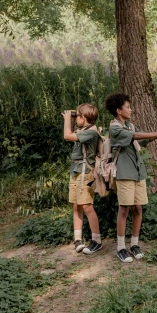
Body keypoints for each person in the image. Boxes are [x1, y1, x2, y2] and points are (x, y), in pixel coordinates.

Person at [105, 93, 157, 263]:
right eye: (128, 107)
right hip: (125, 173)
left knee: (138, 209)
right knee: (124, 209)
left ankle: (134, 244)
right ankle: (121, 247)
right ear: (119, 110)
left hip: (138, 173)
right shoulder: (115, 127)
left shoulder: (130, 125)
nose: (131, 109)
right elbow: (135, 137)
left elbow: (143, 138)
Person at [62, 103, 102, 255]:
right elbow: (72, 133)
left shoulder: (91, 132)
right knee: (76, 205)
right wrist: (73, 114)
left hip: (86, 173)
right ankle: (78, 239)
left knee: (87, 206)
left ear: (84, 118)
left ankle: (96, 241)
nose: (74, 118)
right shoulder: (82, 129)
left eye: (77, 116)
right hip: (76, 171)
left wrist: (67, 118)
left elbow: (67, 135)